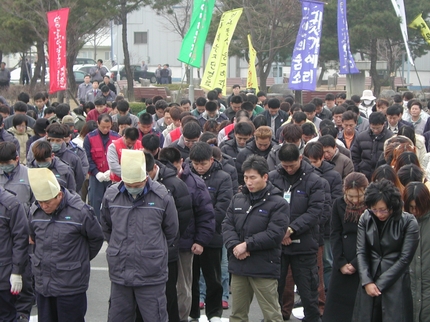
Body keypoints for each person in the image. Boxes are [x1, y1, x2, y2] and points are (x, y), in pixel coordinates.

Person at [101, 150, 178, 322]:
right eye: (129, 184)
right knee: (118, 317)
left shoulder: (162, 196)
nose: (133, 188)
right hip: (121, 271)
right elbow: (106, 227)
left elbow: (171, 231)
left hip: (151, 273)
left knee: (155, 317)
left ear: (146, 177)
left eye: (137, 185)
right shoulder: (112, 196)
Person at [28, 168, 104, 322]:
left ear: (59, 195)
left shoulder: (80, 212)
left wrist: (80, 258)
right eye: (40, 202)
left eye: (47, 202)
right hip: (44, 285)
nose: (44, 206)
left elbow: (96, 239)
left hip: (71, 285)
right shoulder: (35, 211)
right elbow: (33, 239)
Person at [222, 155, 289, 322]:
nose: (248, 182)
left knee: (272, 314)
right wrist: (235, 246)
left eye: (253, 177)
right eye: (245, 177)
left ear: (265, 177)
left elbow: (275, 234)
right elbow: (227, 225)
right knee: (237, 314)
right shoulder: (238, 198)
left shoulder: (278, 203)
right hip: (239, 264)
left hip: (264, 266)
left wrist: (247, 245)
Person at [158, 147, 215, 321]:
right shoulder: (158, 181)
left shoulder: (195, 183)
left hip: (185, 244)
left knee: (183, 287)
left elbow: (206, 214)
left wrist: (200, 241)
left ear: (180, 163)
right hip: (160, 244)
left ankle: (182, 318)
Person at [269, 143, 325, 322]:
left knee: (308, 289)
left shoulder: (315, 181)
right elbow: (267, 207)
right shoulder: (273, 178)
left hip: (304, 244)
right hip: (278, 244)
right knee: (275, 288)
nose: (289, 169)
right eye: (285, 166)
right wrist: (280, 232)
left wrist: (291, 230)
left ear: (300, 159)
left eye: (292, 165)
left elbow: (315, 211)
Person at [352, 179, 419, 322]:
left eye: (383, 210)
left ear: (392, 206)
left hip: (396, 281)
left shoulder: (408, 222)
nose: (379, 214)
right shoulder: (366, 217)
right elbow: (361, 251)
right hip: (370, 277)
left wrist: (379, 284)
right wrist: (366, 281)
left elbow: (405, 258)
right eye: (374, 209)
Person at [188, 142, 233, 322]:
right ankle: (192, 312)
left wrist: (204, 230)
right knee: (190, 278)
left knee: (213, 277)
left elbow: (222, 208)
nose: (199, 168)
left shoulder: (223, 177)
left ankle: (214, 313)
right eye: (196, 164)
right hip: (190, 237)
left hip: (212, 236)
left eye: (203, 164)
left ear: (212, 160)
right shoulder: (186, 176)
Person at [323, 172, 369, 322]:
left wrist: (356, 263)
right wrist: (340, 262)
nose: (355, 201)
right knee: (336, 308)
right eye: (351, 196)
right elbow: (335, 233)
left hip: (362, 259)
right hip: (342, 258)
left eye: (359, 196)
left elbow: (372, 238)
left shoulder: (372, 206)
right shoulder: (338, 204)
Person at [84, 114, 121, 220]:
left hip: (113, 176)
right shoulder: (90, 138)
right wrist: (96, 172)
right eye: (103, 127)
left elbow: (120, 156)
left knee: (113, 201)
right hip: (96, 176)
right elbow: (87, 158)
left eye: (108, 127)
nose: (105, 129)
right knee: (95, 201)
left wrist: (113, 170)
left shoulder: (116, 138)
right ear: (98, 124)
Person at [0, 184, 28, 322]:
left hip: (3, 276)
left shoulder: (11, 204)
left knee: (6, 316)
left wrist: (16, 272)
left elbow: (21, 239)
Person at [403, 182, 430, 322]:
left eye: (417, 207)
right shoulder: (401, 222)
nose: (414, 211)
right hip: (409, 287)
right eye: (411, 207)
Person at [351, 112, 393, 181]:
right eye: (373, 128)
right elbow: (354, 156)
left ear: (383, 124)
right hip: (364, 173)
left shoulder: (390, 138)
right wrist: (358, 169)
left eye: (378, 128)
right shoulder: (361, 137)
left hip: (383, 175)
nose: (375, 131)